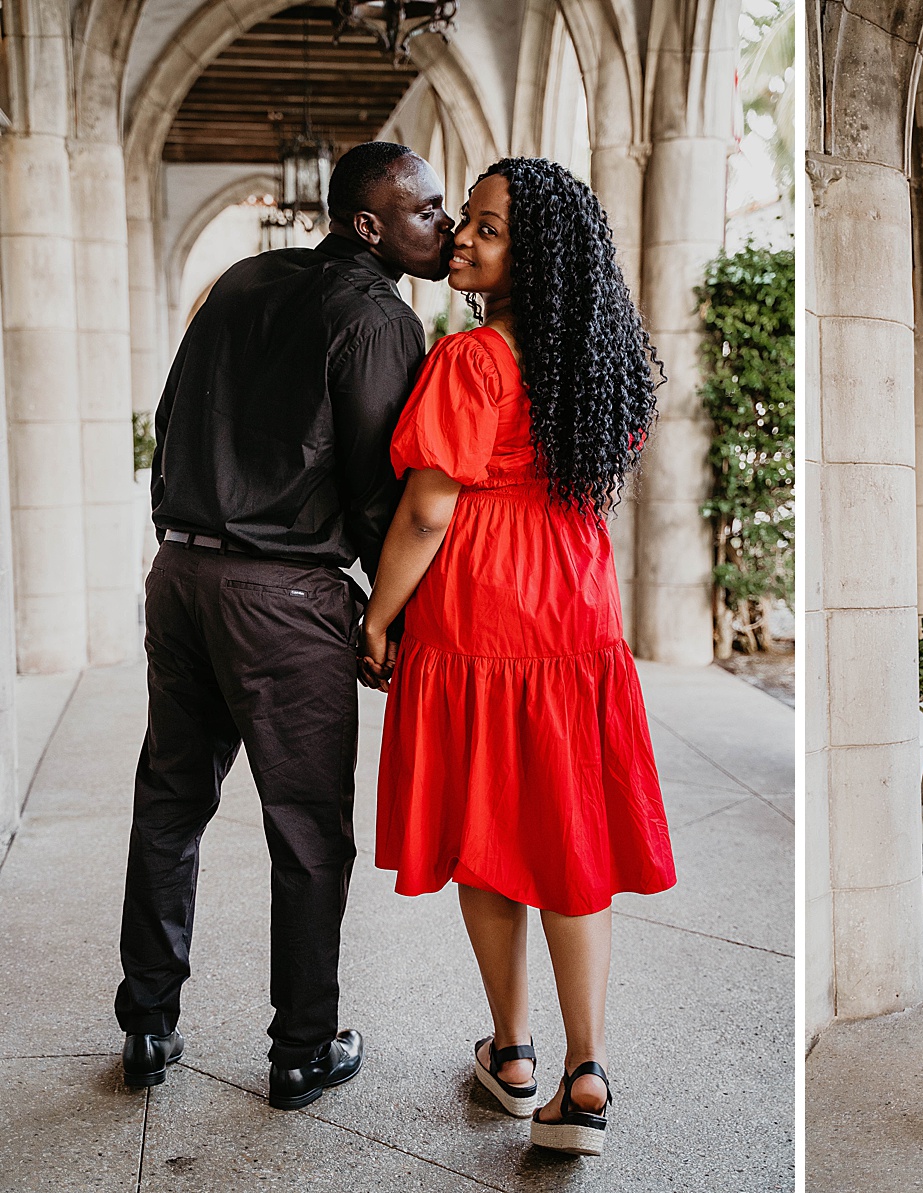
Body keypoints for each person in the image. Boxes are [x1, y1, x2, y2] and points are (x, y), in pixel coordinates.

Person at [116, 143, 456, 1108]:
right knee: (307, 831)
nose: (442, 224)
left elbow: (171, 414)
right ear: (368, 226)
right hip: (280, 598)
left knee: (169, 802)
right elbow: (379, 489)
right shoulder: (377, 314)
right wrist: (381, 613)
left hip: (179, 572)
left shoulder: (238, 283)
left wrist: (188, 537)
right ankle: (303, 1049)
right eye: (425, 209)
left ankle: (147, 1026)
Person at [359, 157, 675, 1158]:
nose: (461, 238)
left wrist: (378, 614)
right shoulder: (597, 357)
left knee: (488, 831)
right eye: (469, 221)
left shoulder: (472, 359)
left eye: (487, 229)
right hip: (574, 607)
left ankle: (516, 1050)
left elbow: (429, 504)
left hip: (480, 611)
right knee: (570, 839)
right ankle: (586, 1071)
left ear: (529, 258)